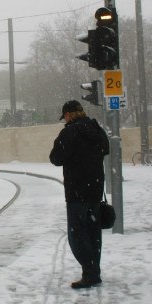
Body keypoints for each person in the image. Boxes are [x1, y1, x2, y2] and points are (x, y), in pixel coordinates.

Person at [49, 99, 110, 289]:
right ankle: (94, 272)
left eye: (65, 116)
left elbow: (55, 158)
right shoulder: (96, 129)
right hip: (95, 190)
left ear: (68, 115)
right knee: (93, 234)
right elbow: (105, 149)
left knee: (77, 235)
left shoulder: (70, 132)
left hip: (76, 191)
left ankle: (90, 272)